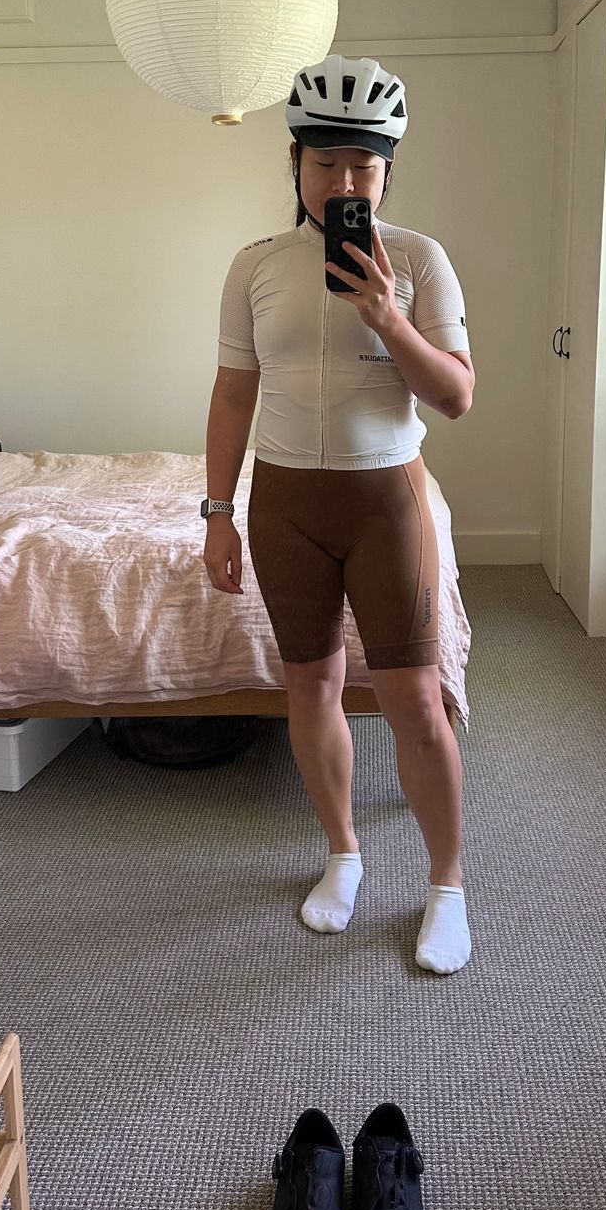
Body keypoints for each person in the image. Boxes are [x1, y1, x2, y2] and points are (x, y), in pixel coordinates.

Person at [201, 55, 475, 974]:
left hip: (384, 499)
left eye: (364, 166)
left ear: (388, 171)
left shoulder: (421, 260)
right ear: (294, 162)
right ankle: (343, 853)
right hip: (284, 503)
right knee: (310, 687)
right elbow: (233, 394)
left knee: (415, 701)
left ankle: (446, 886)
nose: (344, 184)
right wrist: (217, 513)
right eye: (326, 164)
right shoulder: (255, 266)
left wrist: (388, 317)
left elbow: (457, 397)